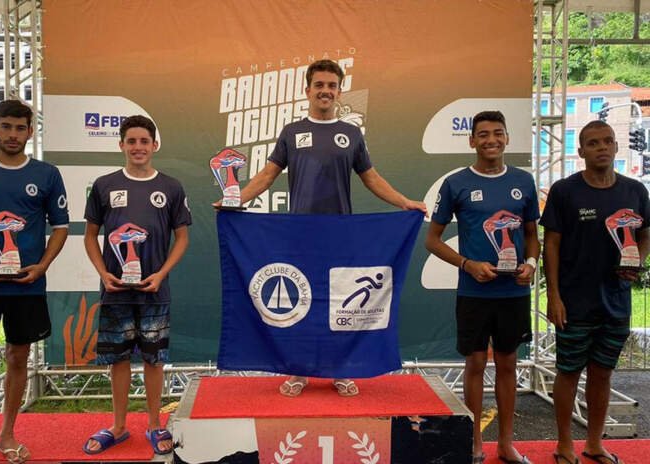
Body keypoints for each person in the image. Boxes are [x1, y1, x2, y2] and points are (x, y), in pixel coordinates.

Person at [215, 59, 426, 397]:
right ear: (308, 90)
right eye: (319, 85)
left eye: (331, 86)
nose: (325, 91)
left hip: (340, 234)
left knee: (340, 304)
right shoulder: (291, 132)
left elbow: (371, 178)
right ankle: (298, 372)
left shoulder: (351, 134)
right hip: (299, 234)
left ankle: (341, 370)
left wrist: (404, 202)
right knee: (304, 302)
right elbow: (267, 175)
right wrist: (235, 199)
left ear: (339, 92)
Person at [0, 99, 69, 464]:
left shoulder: (47, 174)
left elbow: (61, 228)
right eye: (6, 127)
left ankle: (7, 434)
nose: (13, 134)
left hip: (26, 286)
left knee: (18, 358)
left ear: (30, 132)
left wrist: (41, 266)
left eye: (20, 128)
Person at [425, 110, 539, 464]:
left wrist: (531, 264)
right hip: (473, 293)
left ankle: (506, 443)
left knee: (508, 364)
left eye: (498, 133)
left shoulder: (524, 181)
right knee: (474, 363)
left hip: (514, 293)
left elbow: (532, 236)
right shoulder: (456, 183)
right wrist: (468, 265)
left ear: (507, 138)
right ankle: (474, 441)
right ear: (472, 140)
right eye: (484, 134)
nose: (492, 140)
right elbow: (432, 240)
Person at [541, 120, 650, 464]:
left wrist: (637, 261)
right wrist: (554, 296)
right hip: (574, 302)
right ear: (581, 151)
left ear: (616, 147)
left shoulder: (636, 191)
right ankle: (564, 445)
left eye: (607, 141)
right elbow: (551, 245)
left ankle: (593, 444)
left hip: (616, 301)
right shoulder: (564, 191)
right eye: (593, 143)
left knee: (603, 374)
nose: (601, 147)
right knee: (569, 372)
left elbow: (645, 235)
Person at [83, 115, 191, 455]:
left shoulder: (171, 187)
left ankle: (154, 424)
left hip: (154, 291)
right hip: (116, 290)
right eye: (131, 141)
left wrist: (161, 274)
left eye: (144, 141)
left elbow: (182, 238)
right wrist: (104, 273)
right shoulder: (104, 185)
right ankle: (118, 426)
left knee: (154, 359)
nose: (138, 147)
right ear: (121, 145)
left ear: (154, 145)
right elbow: (90, 236)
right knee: (118, 360)